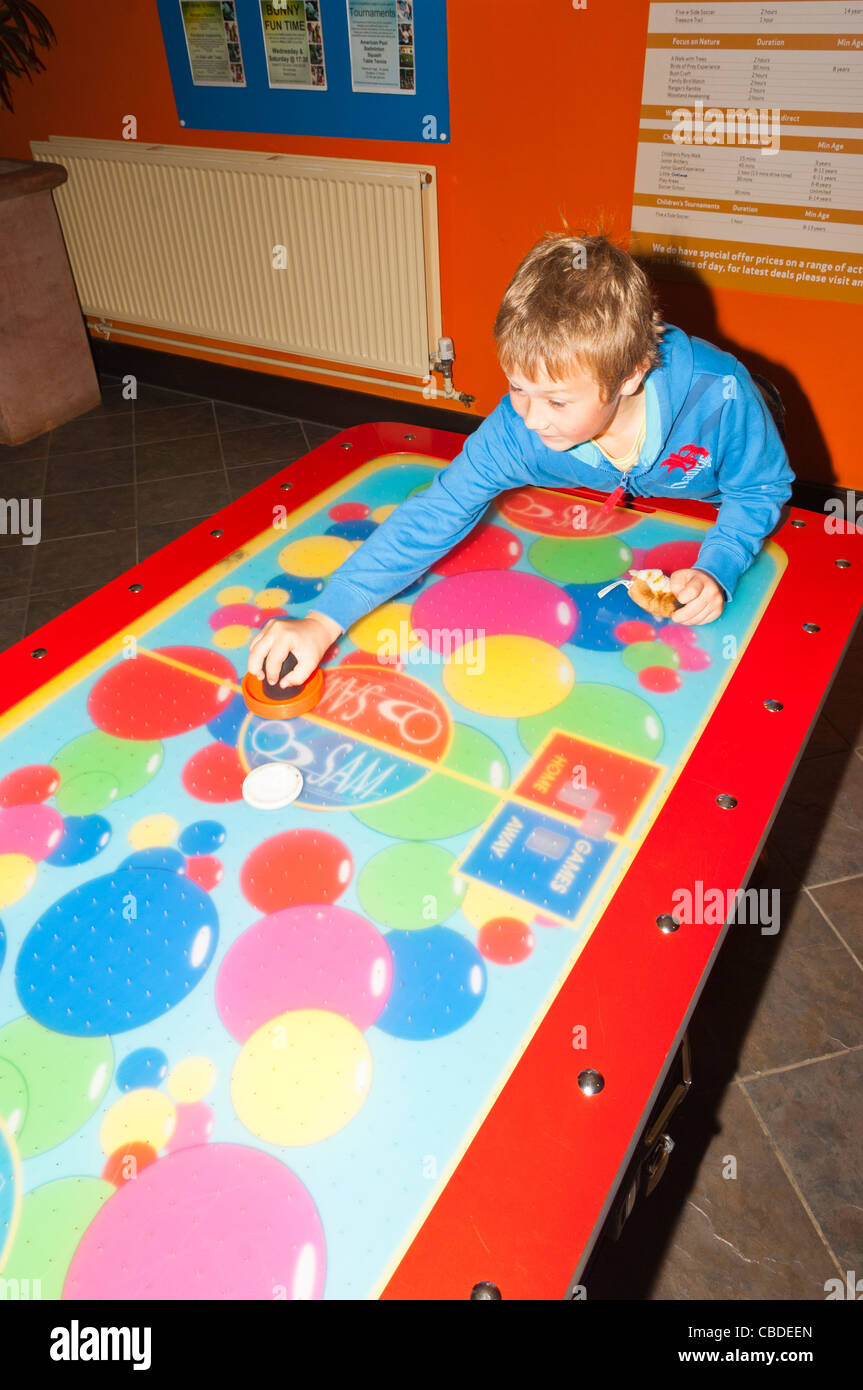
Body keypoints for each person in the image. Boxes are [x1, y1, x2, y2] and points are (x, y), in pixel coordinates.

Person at [248, 230, 793, 691]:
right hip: (637, 481)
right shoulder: (518, 430)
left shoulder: (721, 397)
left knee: (753, 443)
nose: (531, 418)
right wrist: (322, 621)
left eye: (556, 401)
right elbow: (436, 512)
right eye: (516, 387)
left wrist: (717, 565)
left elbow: (759, 490)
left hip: (720, 461)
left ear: (629, 377)